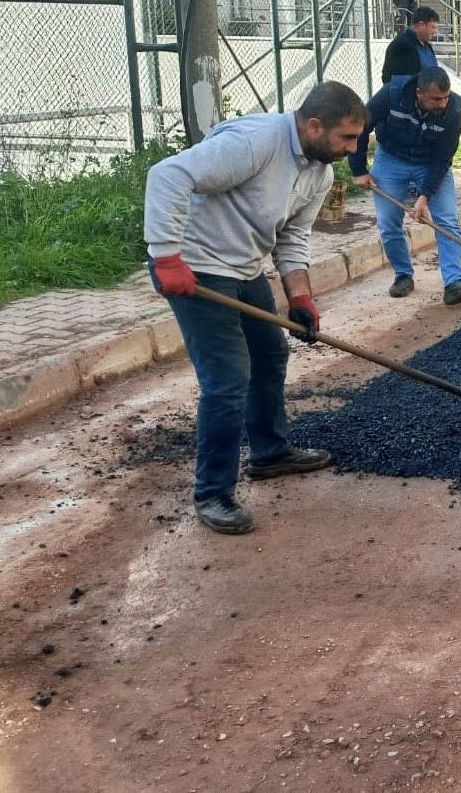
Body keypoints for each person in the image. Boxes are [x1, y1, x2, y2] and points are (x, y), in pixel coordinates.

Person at [144, 81, 368, 535]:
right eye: (346, 138)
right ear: (313, 125)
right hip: (196, 269)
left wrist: (300, 296)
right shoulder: (255, 143)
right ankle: (213, 494)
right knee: (227, 380)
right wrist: (166, 253)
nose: (352, 148)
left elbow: (292, 238)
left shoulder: (318, 172)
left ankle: (269, 453)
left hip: (244, 270)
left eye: (356, 139)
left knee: (270, 355)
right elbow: (168, 175)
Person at [350, 66, 461, 306]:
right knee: (389, 223)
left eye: (446, 97)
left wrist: (424, 197)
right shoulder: (392, 95)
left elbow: (443, 159)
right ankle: (403, 275)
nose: (442, 103)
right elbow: (360, 126)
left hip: (429, 164)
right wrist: (358, 170)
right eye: (436, 99)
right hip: (391, 160)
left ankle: (454, 283)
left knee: (448, 220)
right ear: (419, 93)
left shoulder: (453, 110)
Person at [381, 4, 441, 84]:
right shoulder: (401, 45)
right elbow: (390, 78)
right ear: (421, 25)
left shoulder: (427, 46)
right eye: (433, 27)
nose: (435, 31)